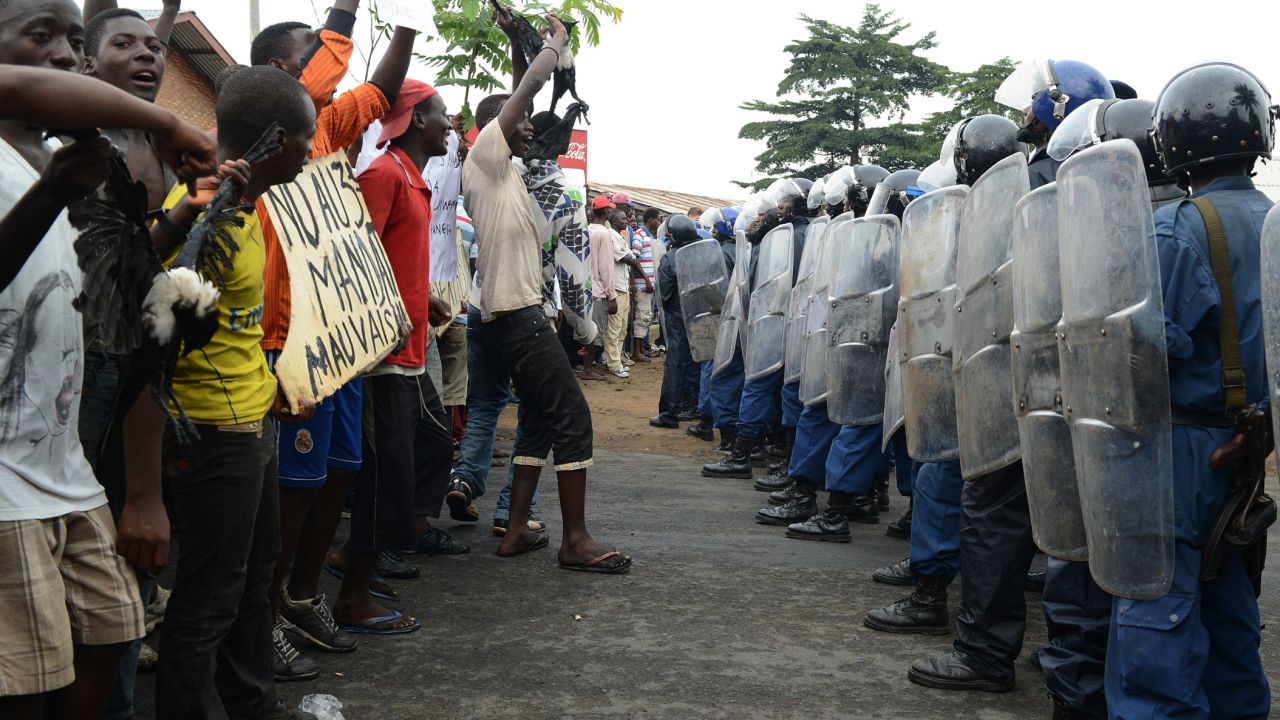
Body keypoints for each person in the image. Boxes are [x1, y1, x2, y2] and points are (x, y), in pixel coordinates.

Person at [0, 15, 212, 717]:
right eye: (41, 33)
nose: (65, 51)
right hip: (5, 486)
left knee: (113, 632)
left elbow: (125, 322)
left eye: (71, 35)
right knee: (32, 682)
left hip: (65, 473)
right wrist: (51, 196)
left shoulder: (80, 161)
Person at [910, 63, 1114, 694]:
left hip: (1018, 375)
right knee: (1073, 521)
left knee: (996, 510)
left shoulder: (1025, 185)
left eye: (1034, 104)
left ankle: (984, 653)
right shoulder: (1105, 185)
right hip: (1082, 383)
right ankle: (1069, 654)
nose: (1026, 115)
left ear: (1059, 107)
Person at [251, 1, 424, 680]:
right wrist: (346, 10)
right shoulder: (264, 131)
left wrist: (407, 21)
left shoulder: (324, 129)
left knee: (341, 469)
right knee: (293, 483)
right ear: (277, 73)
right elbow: (335, 68)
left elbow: (380, 91)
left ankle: (298, 595)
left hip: (338, 343)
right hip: (288, 341)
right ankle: (261, 617)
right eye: (313, 54)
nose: (330, 62)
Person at [1101, 61, 1272, 719]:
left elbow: (1141, 354)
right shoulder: (1276, 224)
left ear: (1171, 143)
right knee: (1231, 618)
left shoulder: (1179, 228)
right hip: (1249, 452)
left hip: (1177, 452)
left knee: (1157, 625)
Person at [151, 65, 317, 720]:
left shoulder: (250, 209)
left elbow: (236, 330)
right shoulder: (198, 215)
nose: (312, 149)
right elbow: (161, 332)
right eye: (306, 136)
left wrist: (273, 384)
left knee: (251, 587)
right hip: (213, 436)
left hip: (255, 425)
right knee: (206, 602)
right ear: (276, 141)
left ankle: (252, 705)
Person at [462, 13, 630, 572]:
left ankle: (515, 531)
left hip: (512, 314)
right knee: (573, 419)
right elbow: (525, 93)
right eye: (522, 124)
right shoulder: (485, 159)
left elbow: (521, 99)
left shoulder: (504, 168)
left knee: (536, 418)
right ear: (493, 130)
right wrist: (555, 48)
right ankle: (575, 540)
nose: (533, 129)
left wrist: (518, 41)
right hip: (516, 314)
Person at [334, 79, 453, 639]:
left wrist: (422, 297)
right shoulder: (382, 175)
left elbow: (392, 256)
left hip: (408, 347)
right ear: (416, 121)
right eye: (441, 114)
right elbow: (357, 261)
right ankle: (354, 587)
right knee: (382, 471)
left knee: (409, 457)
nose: (449, 125)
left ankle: (357, 564)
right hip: (381, 353)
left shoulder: (411, 178)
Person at [703, 178, 812, 480]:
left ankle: (742, 455)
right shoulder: (817, 233)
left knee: (759, 386)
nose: (766, 215)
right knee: (790, 392)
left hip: (773, 324)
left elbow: (752, 287)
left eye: (779, 205)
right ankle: (786, 455)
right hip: (803, 325)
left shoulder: (777, 240)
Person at [650, 214, 701, 428]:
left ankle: (669, 414)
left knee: (675, 363)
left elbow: (664, 293)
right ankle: (693, 407)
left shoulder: (670, 258)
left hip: (676, 316)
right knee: (697, 361)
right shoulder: (704, 252)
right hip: (700, 315)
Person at [586, 194, 619, 380]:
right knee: (596, 330)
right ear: (606, 211)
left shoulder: (587, 229)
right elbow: (605, 267)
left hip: (585, 287)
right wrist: (611, 295)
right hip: (598, 289)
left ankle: (586, 367)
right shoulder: (603, 234)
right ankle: (587, 369)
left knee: (586, 329)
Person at [630, 207, 659, 363]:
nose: (659, 222)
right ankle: (636, 351)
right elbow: (634, 259)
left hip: (647, 284)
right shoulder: (639, 235)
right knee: (641, 317)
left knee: (645, 317)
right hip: (642, 284)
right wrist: (646, 280)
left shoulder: (648, 236)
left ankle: (641, 350)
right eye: (658, 219)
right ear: (650, 220)